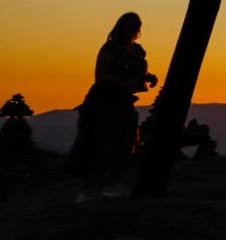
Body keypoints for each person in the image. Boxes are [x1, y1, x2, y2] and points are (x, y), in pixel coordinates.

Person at [67, 12, 158, 200]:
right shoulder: (110, 48)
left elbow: (137, 73)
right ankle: (86, 189)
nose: (131, 29)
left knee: (127, 141)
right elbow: (100, 75)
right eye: (128, 25)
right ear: (120, 27)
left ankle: (113, 185)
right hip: (103, 100)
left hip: (125, 101)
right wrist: (123, 83)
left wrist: (149, 77)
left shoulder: (137, 50)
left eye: (135, 26)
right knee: (97, 142)